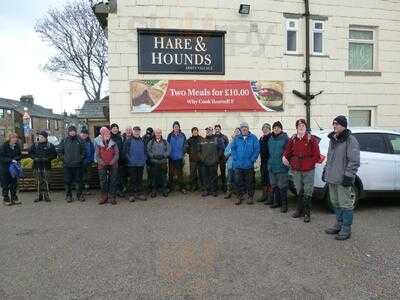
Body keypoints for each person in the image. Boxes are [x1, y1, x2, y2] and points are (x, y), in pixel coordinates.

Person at [323, 116, 360, 240]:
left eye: (337, 124)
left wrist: (349, 176)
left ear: (344, 126)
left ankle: (346, 228)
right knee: (335, 202)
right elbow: (329, 158)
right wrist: (325, 172)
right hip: (332, 177)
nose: (335, 126)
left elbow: (354, 161)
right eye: (334, 124)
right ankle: (338, 224)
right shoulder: (332, 139)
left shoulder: (350, 140)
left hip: (343, 178)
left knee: (345, 204)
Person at [283, 119, 321, 222]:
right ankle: (299, 210)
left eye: (302, 125)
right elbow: (288, 151)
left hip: (308, 169)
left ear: (305, 127)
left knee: (308, 191)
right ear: (296, 127)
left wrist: (309, 163)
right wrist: (286, 158)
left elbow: (316, 155)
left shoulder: (311, 138)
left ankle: (307, 213)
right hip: (296, 169)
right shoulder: (293, 138)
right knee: (299, 189)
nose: (301, 126)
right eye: (299, 125)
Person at [231, 122, 260, 205]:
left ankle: (250, 197)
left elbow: (257, 149)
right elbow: (233, 149)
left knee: (250, 182)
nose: (244, 128)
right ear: (240, 129)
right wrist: (235, 159)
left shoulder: (253, 138)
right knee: (238, 182)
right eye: (242, 127)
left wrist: (252, 159)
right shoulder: (236, 138)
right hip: (238, 165)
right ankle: (239, 197)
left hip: (249, 165)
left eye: (246, 127)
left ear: (248, 128)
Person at [29, 131, 57, 202]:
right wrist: (34, 158)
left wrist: (48, 158)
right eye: (39, 137)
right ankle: (39, 196)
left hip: (46, 166)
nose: (40, 138)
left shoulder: (50, 145)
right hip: (37, 166)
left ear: (45, 138)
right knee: (38, 181)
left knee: (47, 181)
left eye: (42, 137)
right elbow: (30, 153)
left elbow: (54, 155)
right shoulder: (35, 145)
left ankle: (47, 195)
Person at [59, 126, 85, 203]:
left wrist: (80, 159)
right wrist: (64, 159)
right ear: (68, 132)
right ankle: (68, 196)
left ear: (76, 132)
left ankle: (79, 195)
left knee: (79, 181)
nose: (72, 132)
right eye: (71, 131)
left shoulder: (80, 140)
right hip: (67, 165)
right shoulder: (64, 141)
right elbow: (60, 152)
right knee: (67, 181)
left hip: (78, 165)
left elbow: (83, 151)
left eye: (73, 131)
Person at [268, 121, 289, 212]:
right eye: (274, 127)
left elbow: (288, 152)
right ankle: (277, 202)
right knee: (274, 185)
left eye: (277, 127)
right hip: (272, 166)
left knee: (282, 186)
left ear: (281, 129)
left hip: (281, 166)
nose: (276, 129)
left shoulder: (285, 139)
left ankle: (284, 205)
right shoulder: (271, 138)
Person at [94, 127, 119, 205]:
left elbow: (117, 154)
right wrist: (102, 162)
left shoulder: (114, 143)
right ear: (102, 135)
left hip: (113, 165)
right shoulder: (99, 144)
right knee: (103, 182)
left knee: (113, 181)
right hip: (102, 166)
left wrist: (112, 162)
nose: (107, 135)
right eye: (105, 134)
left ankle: (112, 197)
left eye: (108, 134)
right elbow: (97, 155)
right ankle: (104, 197)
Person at [124, 126, 147, 202]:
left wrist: (144, 159)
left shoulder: (142, 140)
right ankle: (131, 195)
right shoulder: (128, 140)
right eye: (135, 131)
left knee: (139, 180)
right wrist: (130, 160)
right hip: (132, 164)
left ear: (140, 132)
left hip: (140, 164)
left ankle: (139, 193)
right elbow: (125, 152)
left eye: (138, 131)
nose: (137, 132)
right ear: (133, 132)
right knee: (132, 180)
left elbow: (145, 151)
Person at [147, 128, 171, 198]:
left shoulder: (165, 142)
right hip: (154, 162)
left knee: (164, 177)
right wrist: (153, 156)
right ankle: (154, 190)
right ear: (155, 134)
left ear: (161, 134)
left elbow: (169, 150)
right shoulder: (151, 142)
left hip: (163, 162)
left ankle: (164, 190)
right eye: (157, 133)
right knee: (154, 177)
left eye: (159, 133)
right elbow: (148, 150)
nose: (158, 134)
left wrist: (163, 156)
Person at [0, 133, 22, 205]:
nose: (15, 139)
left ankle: (14, 197)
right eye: (13, 138)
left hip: (14, 167)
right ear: (9, 138)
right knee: (5, 183)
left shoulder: (17, 146)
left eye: (16, 138)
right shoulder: (4, 146)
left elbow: (19, 155)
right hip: (5, 167)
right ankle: (6, 198)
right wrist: (11, 160)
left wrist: (15, 159)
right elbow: (2, 157)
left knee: (14, 183)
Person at [167, 121, 187, 194]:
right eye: (175, 127)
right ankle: (170, 188)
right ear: (173, 128)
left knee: (180, 174)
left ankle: (182, 187)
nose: (176, 128)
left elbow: (185, 145)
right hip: (171, 158)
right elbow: (167, 145)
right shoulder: (170, 135)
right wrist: (168, 154)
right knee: (171, 174)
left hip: (179, 158)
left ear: (179, 127)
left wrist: (183, 152)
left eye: (177, 126)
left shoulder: (183, 135)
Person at [199, 127, 219, 197]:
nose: (208, 131)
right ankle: (206, 190)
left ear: (212, 131)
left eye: (209, 130)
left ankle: (214, 191)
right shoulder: (202, 140)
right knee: (205, 177)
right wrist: (202, 159)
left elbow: (220, 150)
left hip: (213, 162)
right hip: (204, 163)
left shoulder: (216, 140)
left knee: (213, 177)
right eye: (207, 130)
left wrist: (216, 159)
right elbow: (199, 151)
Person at [223, 128, 241, 199]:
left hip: (238, 165)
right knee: (229, 179)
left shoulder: (241, 143)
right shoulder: (230, 143)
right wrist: (231, 151)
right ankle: (229, 192)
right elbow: (225, 153)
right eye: (235, 131)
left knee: (238, 180)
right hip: (230, 164)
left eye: (238, 132)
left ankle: (238, 193)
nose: (236, 133)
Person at [258, 123, 272, 204]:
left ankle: (270, 197)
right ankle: (264, 195)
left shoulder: (271, 137)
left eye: (267, 128)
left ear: (269, 129)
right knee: (263, 179)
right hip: (263, 162)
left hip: (269, 161)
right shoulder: (261, 138)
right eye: (264, 128)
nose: (265, 129)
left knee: (269, 180)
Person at [186, 127, 204, 192]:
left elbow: (204, 149)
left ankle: (202, 186)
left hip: (200, 160)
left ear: (197, 131)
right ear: (192, 132)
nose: (195, 132)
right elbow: (187, 149)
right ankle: (194, 186)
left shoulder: (201, 139)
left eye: (196, 131)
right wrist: (190, 152)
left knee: (201, 174)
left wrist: (202, 157)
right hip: (192, 160)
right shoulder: (189, 140)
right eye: (194, 131)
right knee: (193, 174)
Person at [110, 123, 125, 197]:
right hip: (112, 161)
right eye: (113, 128)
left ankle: (119, 190)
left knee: (120, 176)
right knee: (113, 176)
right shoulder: (109, 137)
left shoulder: (120, 137)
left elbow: (122, 148)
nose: (115, 129)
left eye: (116, 128)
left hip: (120, 160)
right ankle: (113, 191)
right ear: (111, 129)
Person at [214, 124, 229, 192]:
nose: (217, 130)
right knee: (214, 173)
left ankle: (224, 187)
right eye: (216, 129)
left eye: (218, 129)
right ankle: (215, 187)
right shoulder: (213, 137)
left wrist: (226, 156)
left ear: (220, 129)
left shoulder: (224, 137)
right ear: (215, 130)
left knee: (223, 173)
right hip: (215, 157)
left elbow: (227, 147)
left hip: (222, 157)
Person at [80, 128, 95, 195]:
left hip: (88, 162)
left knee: (88, 177)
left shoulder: (90, 142)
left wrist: (91, 160)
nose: (84, 135)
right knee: (82, 176)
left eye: (85, 134)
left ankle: (87, 189)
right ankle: (82, 190)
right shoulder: (78, 142)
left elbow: (93, 152)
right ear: (81, 134)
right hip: (80, 162)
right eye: (83, 133)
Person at [142, 127, 154, 192]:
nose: (148, 135)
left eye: (150, 133)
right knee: (149, 173)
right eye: (147, 133)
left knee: (155, 173)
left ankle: (155, 187)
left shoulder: (155, 138)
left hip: (154, 159)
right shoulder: (143, 138)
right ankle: (149, 187)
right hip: (147, 159)